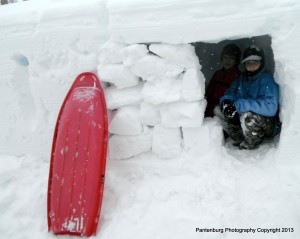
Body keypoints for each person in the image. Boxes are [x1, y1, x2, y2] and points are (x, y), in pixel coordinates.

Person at [215, 45, 280, 149]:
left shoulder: (267, 80)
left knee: (248, 117)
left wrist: (240, 105)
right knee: (219, 110)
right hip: (243, 119)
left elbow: (271, 107)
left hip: (267, 123)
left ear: (261, 62)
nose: (251, 65)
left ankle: (253, 142)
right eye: (248, 62)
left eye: (255, 61)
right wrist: (226, 102)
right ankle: (241, 137)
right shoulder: (242, 78)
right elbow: (231, 92)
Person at [204, 44, 241, 117]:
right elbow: (209, 92)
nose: (228, 61)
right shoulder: (217, 74)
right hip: (210, 109)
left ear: (236, 61)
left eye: (231, 58)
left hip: (225, 110)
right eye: (225, 57)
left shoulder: (238, 76)